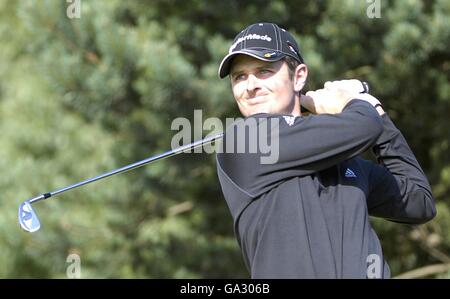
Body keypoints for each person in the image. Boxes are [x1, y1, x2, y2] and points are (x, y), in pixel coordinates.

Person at [215, 22, 436, 278]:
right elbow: (363, 125)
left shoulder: (347, 165)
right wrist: (354, 100)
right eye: (239, 76)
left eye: (264, 70)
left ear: (298, 76)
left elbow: (420, 202)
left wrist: (379, 115)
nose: (249, 85)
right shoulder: (244, 141)